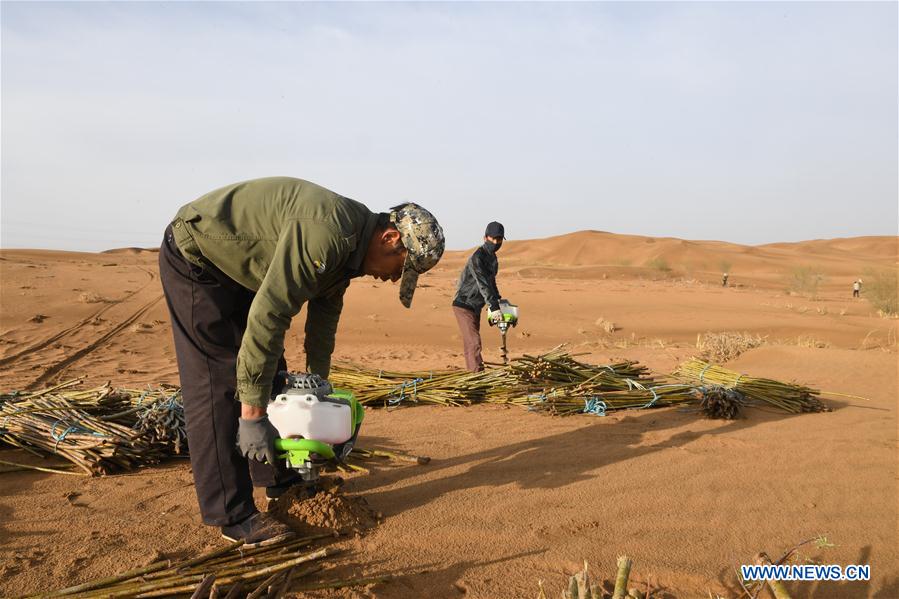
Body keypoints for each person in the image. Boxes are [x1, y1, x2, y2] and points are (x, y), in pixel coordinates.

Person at [158, 177, 444, 546]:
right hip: (199, 256)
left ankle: (282, 481)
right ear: (390, 238)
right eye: (400, 268)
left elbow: (324, 319)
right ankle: (233, 515)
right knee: (220, 381)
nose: (393, 279)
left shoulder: (352, 249)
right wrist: (252, 418)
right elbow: (270, 315)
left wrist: (316, 389)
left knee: (276, 375)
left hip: (244, 271)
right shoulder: (328, 235)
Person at [452, 222, 505, 372]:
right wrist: (493, 306)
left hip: (476, 307)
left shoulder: (493, 258)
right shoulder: (478, 257)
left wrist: (498, 301)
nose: (496, 242)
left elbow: (491, 282)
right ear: (485, 238)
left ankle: (473, 373)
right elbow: (482, 282)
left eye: (499, 239)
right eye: (493, 238)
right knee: (474, 342)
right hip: (464, 305)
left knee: (471, 344)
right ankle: (477, 376)